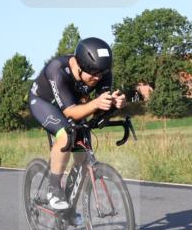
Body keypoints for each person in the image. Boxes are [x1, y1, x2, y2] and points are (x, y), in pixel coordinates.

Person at [28, 37, 126, 210]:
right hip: (44, 103)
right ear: (79, 66)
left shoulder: (102, 73)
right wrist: (95, 103)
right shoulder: (57, 70)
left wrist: (114, 104)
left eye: (102, 73)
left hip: (73, 104)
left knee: (82, 156)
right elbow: (70, 112)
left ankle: (69, 209)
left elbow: (99, 108)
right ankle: (53, 189)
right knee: (65, 136)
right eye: (93, 73)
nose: (97, 78)